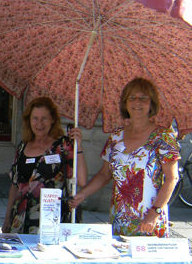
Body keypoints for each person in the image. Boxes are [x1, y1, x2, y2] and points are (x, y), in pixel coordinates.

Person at [69, 78, 180, 238]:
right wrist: (83, 194)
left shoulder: (163, 136)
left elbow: (172, 178)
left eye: (144, 98)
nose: (137, 102)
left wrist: (154, 213)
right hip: (119, 219)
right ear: (125, 103)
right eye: (132, 97)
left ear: (152, 103)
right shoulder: (116, 136)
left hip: (149, 221)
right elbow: (104, 174)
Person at [2, 97, 88, 234]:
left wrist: (79, 147)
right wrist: (7, 219)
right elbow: (15, 186)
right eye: (35, 118)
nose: (39, 123)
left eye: (44, 118)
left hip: (49, 222)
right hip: (19, 220)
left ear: (53, 119)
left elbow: (82, 180)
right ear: (29, 120)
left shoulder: (63, 145)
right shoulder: (23, 146)